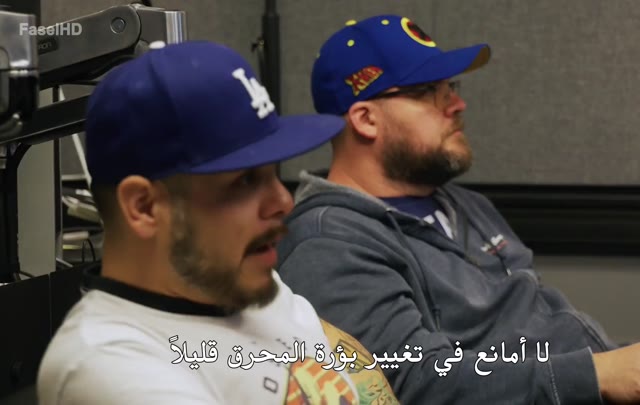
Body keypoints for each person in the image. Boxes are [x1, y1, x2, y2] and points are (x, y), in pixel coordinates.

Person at [276, 14, 640, 405]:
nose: (457, 104)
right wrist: (594, 374)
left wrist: (623, 364)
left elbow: (542, 327)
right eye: (430, 92)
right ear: (366, 119)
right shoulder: (329, 241)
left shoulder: (464, 205)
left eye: (452, 87)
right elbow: (407, 382)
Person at [37, 40, 398, 405]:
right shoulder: (107, 366)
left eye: (273, 174)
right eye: (245, 181)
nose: (284, 201)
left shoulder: (237, 280)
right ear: (144, 207)